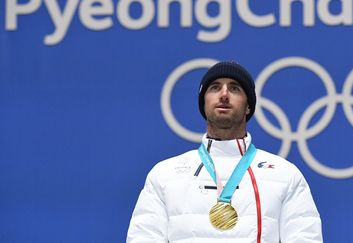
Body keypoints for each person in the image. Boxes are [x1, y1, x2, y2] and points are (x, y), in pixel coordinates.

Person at [127, 61, 322, 243]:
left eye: (235, 88)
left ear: (248, 106)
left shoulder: (285, 174)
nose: (224, 94)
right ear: (204, 103)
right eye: (215, 88)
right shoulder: (164, 175)